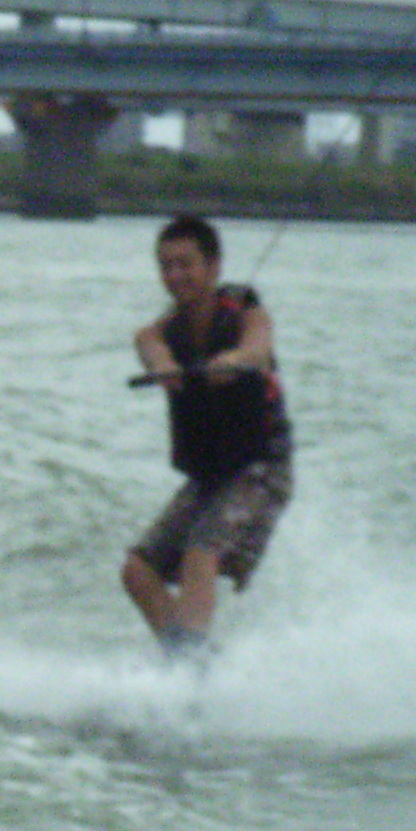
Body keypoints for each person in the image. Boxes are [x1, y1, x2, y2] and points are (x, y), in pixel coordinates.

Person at [120, 215, 294, 660]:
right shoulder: (163, 331)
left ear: (214, 267)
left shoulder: (246, 314)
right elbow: (149, 344)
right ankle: (192, 662)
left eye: (186, 264)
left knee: (201, 551)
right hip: (211, 478)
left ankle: (188, 666)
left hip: (261, 471)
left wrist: (234, 360)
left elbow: (258, 345)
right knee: (137, 570)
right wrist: (162, 366)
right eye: (165, 266)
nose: (174, 275)